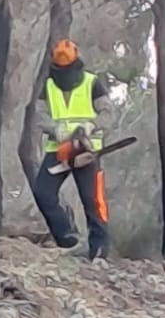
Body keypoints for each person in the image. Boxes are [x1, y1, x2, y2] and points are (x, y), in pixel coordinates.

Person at [34, 39, 111, 261]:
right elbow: (39, 114)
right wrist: (54, 130)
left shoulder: (92, 83)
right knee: (43, 192)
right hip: (58, 149)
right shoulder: (48, 86)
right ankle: (68, 238)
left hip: (87, 150)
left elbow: (108, 113)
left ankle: (99, 250)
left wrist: (91, 125)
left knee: (93, 201)